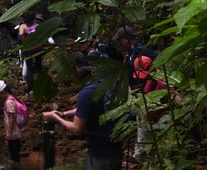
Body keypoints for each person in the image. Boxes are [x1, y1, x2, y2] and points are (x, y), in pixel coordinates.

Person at [42, 48, 123, 170]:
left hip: (99, 151)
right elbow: (92, 109)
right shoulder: (100, 84)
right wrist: (64, 114)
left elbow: (76, 128)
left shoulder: (86, 93)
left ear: (75, 69)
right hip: (114, 148)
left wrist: (56, 118)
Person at [112, 25, 158, 163]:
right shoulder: (132, 51)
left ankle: (142, 154)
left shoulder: (140, 50)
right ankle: (140, 153)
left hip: (145, 91)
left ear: (126, 39)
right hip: (137, 91)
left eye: (120, 40)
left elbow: (157, 59)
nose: (120, 43)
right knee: (140, 122)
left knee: (144, 123)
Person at [0, 79, 23, 163]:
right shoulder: (12, 98)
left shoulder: (9, 102)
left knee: (14, 155)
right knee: (15, 154)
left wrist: (9, 133)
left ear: (3, 92)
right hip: (15, 132)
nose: (0, 97)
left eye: (0, 94)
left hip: (14, 133)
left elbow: (12, 118)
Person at [18, 12, 43, 95]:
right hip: (37, 47)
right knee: (39, 65)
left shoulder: (23, 26)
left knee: (29, 68)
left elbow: (21, 35)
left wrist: (26, 42)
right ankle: (41, 84)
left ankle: (31, 88)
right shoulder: (37, 26)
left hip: (28, 49)